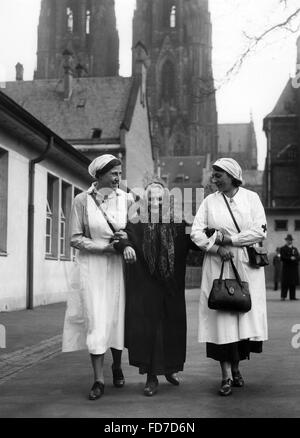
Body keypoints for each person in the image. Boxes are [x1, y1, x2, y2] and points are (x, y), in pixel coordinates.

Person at [114, 180, 200, 396]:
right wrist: (125, 247)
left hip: (171, 286)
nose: (155, 202)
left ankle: (170, 369)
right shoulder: (136, 221)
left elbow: (197, 240)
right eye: (150, 198)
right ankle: (152, 377)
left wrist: (212, 236)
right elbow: (122, 238)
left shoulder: (178, 221)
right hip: (146, 286)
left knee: (172, 329)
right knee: (151, 332)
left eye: (159, 198)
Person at [191, 158, 268, 396]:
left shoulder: (251, 198)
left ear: (232, 176)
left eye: (218, 175)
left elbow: (260, 230)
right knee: (221, 320)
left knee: (241, 317)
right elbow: (195, 233)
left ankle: (236, 369)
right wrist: (216, 248)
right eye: (213, 175)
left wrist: (231, 240)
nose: (213, 179)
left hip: (245, 265)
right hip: (218, 266)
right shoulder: (209, 202)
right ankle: (225, 376)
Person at [62, 154, 133, 400]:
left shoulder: (128, 199)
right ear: (99, 175)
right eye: (113, 173)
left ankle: (117, 365)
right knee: (96, 318)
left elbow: (136, 233)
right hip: (92, 268)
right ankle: (98, 379)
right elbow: (74, 238)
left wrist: (126, 242)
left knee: (116, 317)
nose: (118, 177)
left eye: (119, 172)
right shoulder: (82, 201)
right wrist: (104, 247)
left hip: (118, 269)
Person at [280, 235, 299, 301]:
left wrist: (295, 258)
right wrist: (290, 258)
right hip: (286, 268)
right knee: (285, 283)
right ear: (286, 241)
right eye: (288, 240)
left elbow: (298, 257)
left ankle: (292, 296)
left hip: (293, 269)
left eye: (290, 240)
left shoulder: (295, 249)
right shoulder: (283, 248)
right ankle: (283, 296)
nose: (289, 241)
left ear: (292, 241)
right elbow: (282, 257)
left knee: (293, 283)